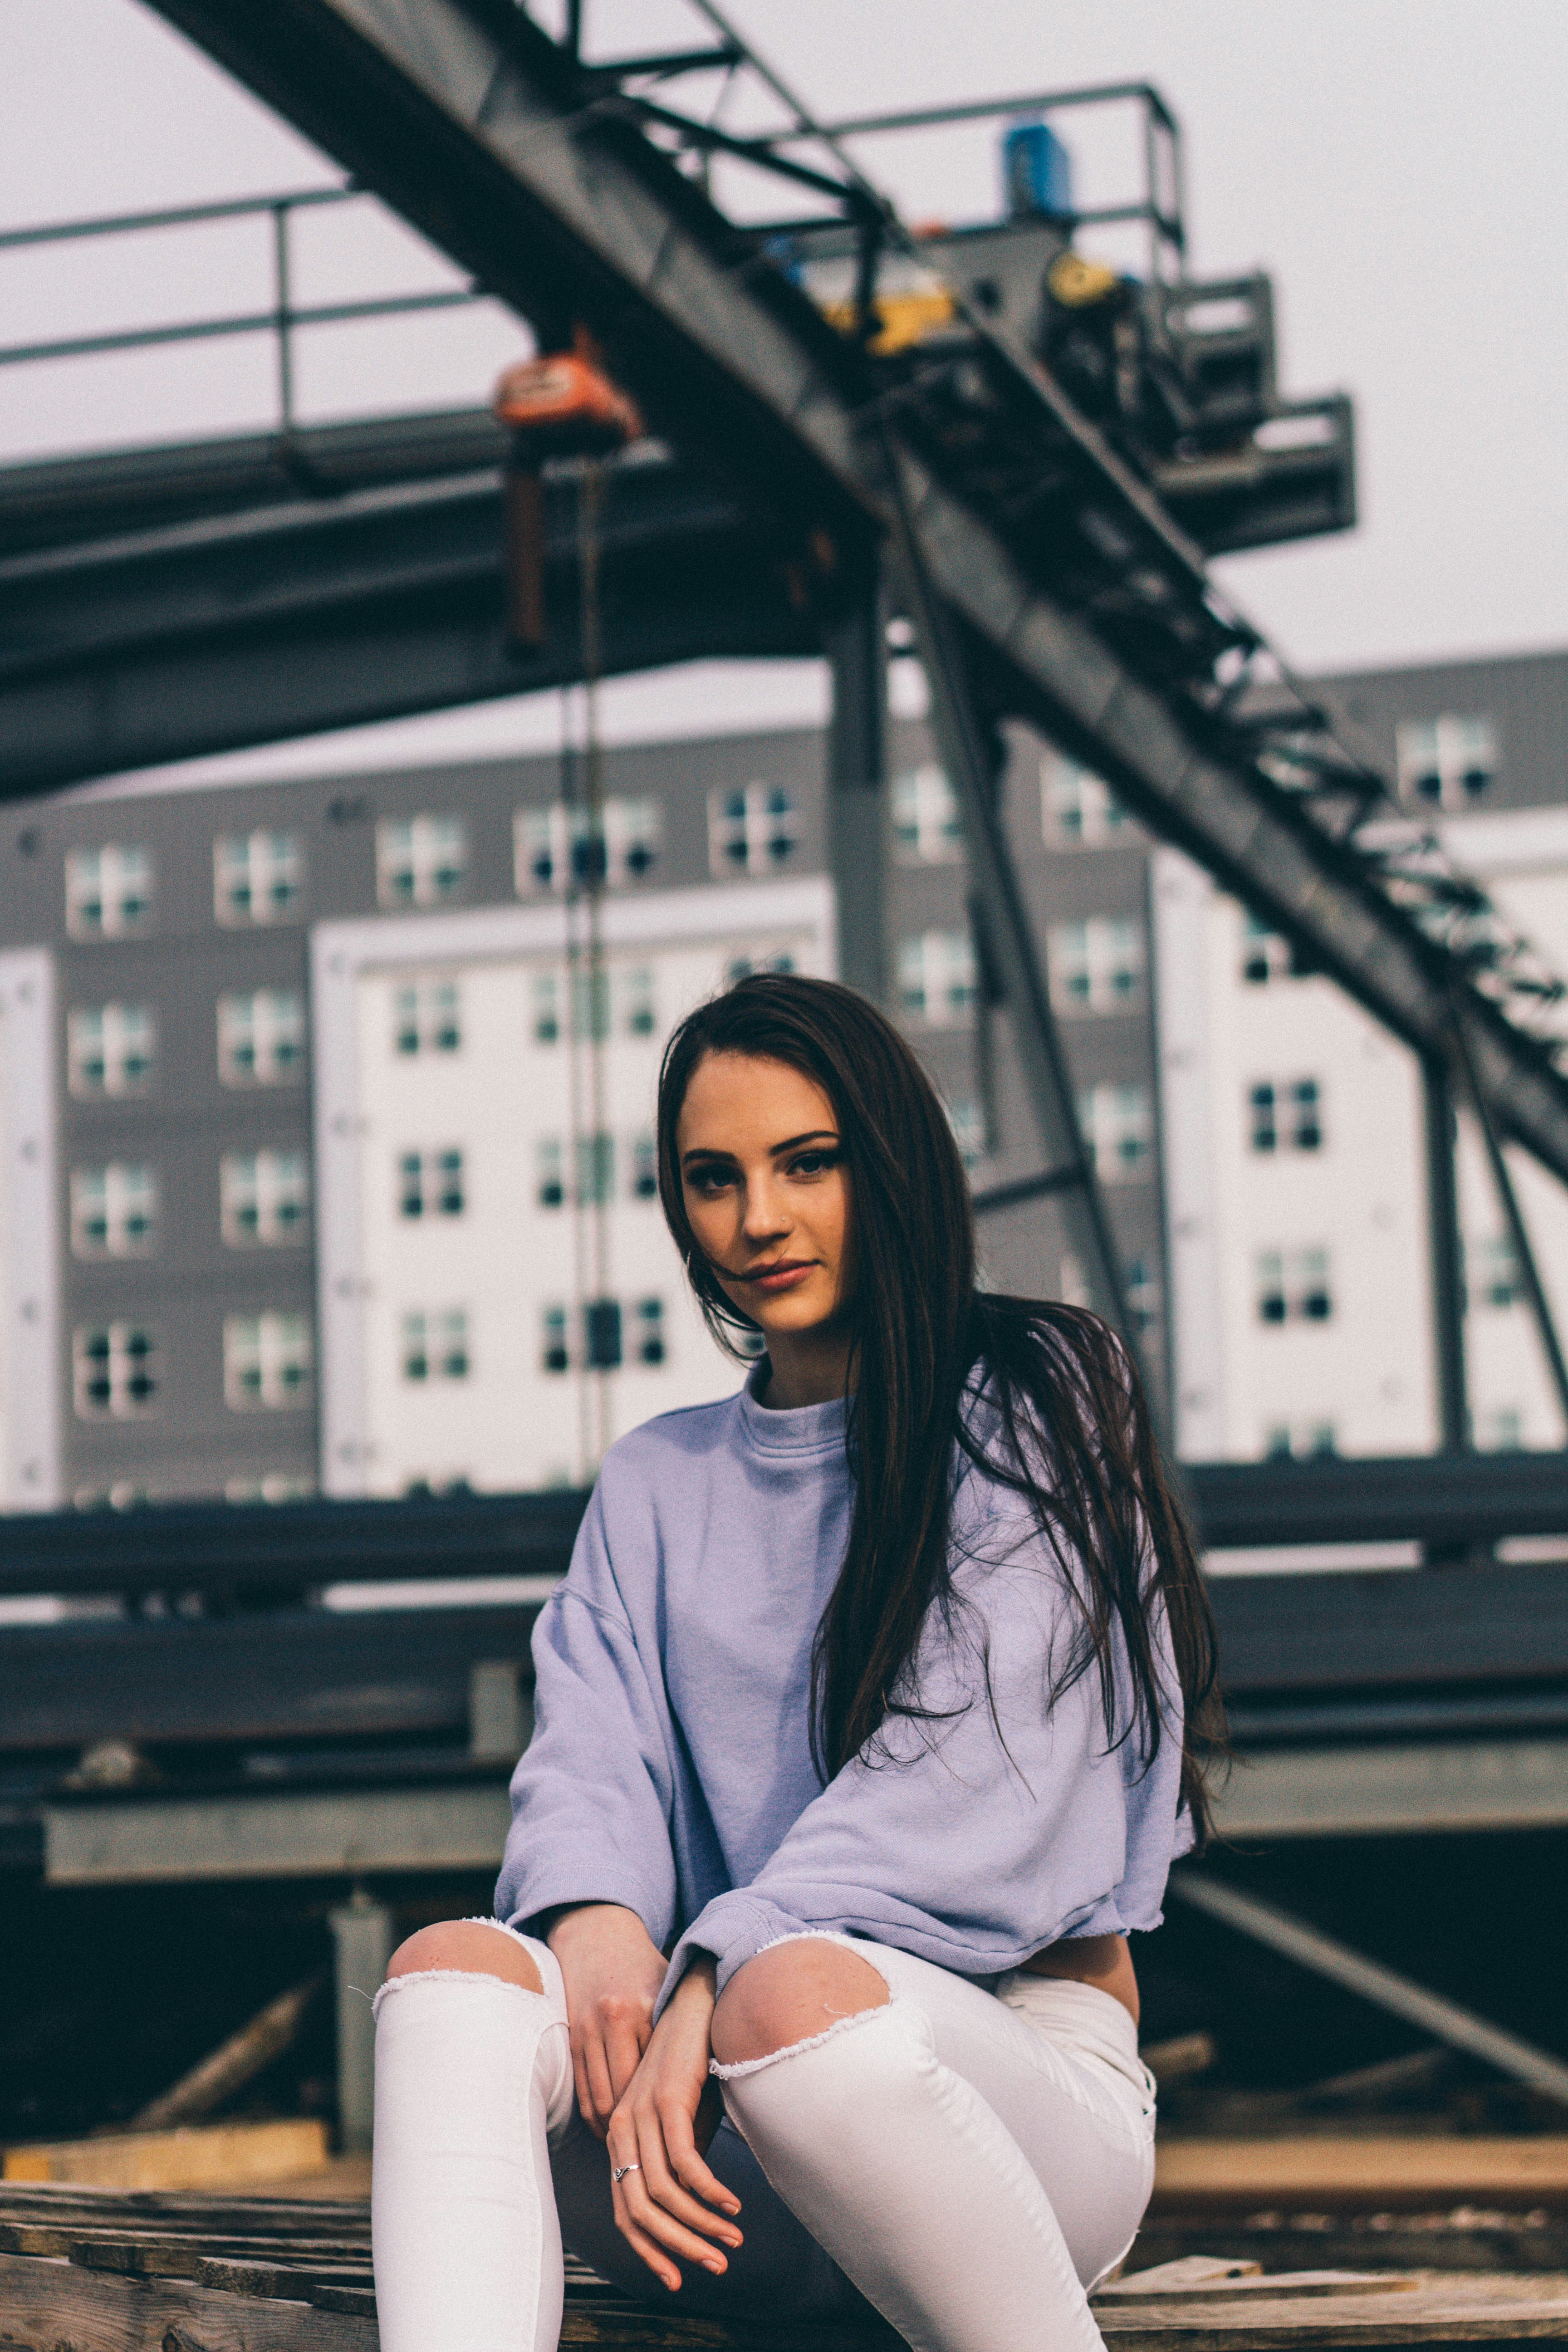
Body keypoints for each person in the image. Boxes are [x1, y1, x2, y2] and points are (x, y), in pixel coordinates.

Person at [371, 973, 1222, 2352]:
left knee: (793, 1998)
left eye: (805, 1163)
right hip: (706, 2174)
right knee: (454, 1980)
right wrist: (596, 1928)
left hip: (995, 2114)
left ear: (886, 1162)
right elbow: (590, 1751)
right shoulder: (655, 1482)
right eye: (713, 1180)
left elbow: (968, 1786)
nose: (756, 1220)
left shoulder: (1041, 1399)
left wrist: (710, 1972)